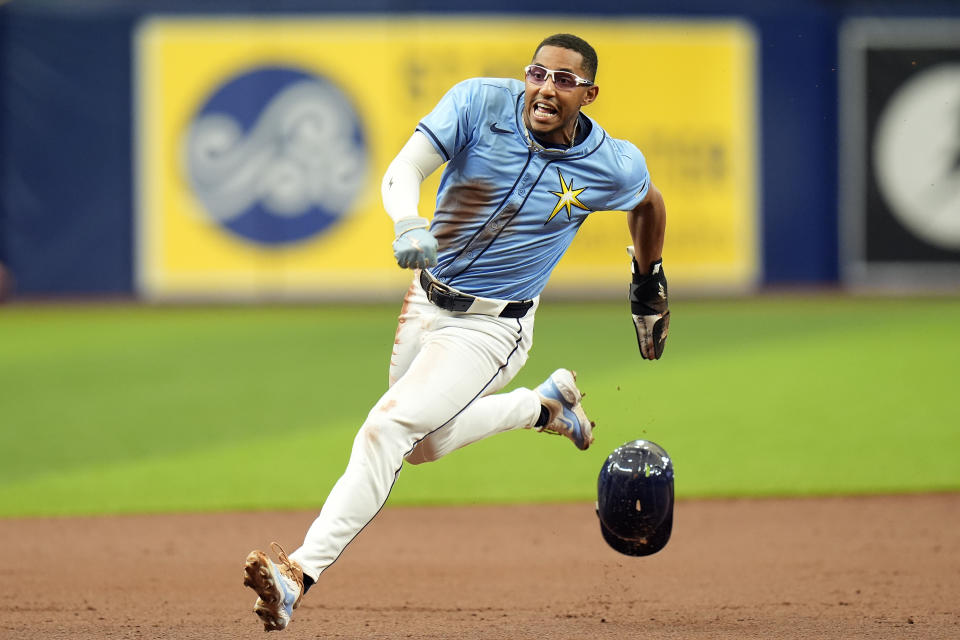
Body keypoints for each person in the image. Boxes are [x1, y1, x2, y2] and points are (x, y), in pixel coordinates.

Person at [242, 32, 669, 632]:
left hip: (492, 329)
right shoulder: (478, 104)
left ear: (589, 94)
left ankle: (298, 574)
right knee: (421, 447)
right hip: (427, 297)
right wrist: (408, 219)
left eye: (564, 80)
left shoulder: (611, 163)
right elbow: (406, 167)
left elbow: (647, 202)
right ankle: (542, 407)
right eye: (538, 74)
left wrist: (647, 278)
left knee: (387, 427)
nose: (547, 88)